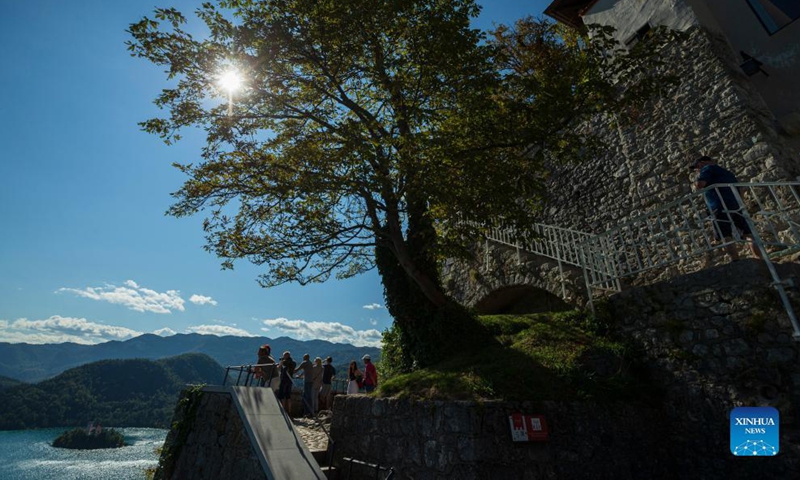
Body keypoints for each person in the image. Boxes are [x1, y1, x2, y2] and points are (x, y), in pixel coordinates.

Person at [691, 156, 761, 260]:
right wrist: (739, 204)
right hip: (735, 204)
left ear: (701, 163)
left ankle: (735, 259)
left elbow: (700, 185)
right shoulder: (727, 173)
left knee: (725, 234)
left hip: (719, 205)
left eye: (697, 167)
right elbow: (740, 189)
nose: (697, 170)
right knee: (747, 232)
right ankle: (759, 257)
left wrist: (696, 181)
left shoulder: (707, 169)